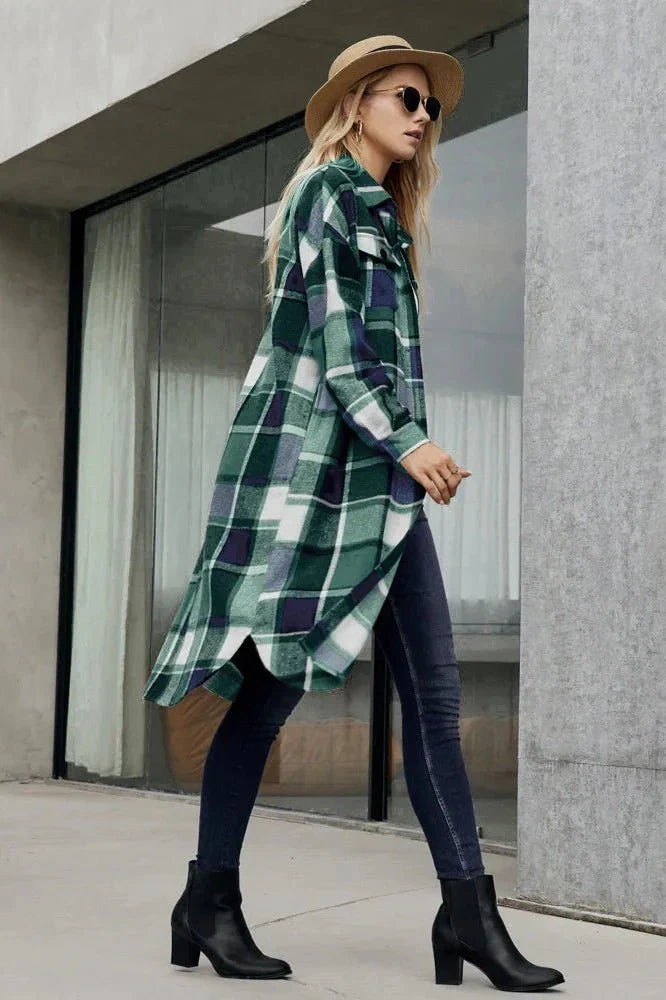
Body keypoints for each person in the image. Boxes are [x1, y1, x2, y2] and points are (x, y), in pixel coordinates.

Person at [156, 35, 565, 992]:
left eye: (431, 105)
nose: (422, 116)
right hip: (316, 488)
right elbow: (343, 356)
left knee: (435, 701)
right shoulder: (329, 194)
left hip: (378, 491)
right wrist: (412, 441)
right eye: (405, 98)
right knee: (267, 692)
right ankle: (208, 899)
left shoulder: (386, 214)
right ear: (357, 104)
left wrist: (406, 450)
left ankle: (467, 914)